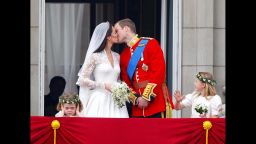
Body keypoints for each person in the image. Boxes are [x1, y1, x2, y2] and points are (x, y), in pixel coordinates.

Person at [114, 18, 174, 118]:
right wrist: (136, 99)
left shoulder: (150, 43)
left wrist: (146, 97)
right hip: (137, 108)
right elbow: (126, 83)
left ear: (126, 29)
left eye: (117, 30)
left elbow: (159, 72)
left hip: (156, 104)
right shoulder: (124, 55)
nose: (115, 34)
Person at [76, 21, 129, 118]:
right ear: (108, 37)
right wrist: (103, 85)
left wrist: (121, 88)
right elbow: (82, 79)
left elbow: (117, 79)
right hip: (99, 100)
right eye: (114, 32)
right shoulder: (94, 57)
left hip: (116, 101)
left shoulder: (117, 56)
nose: (117, 34)